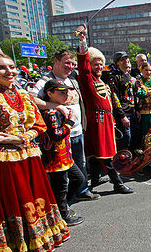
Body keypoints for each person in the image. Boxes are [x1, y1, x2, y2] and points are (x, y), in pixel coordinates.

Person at [0, 53, 69, 252]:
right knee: (14, 203)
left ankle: (38, 243)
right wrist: (0, 138)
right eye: (1, 68)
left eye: (12, 67)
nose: (9, 72)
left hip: (30, 157)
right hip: (3, 161)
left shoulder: (23, 94)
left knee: (34, 200)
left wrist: (29, 134)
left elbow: (39, 124)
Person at [31, 49, 99, 201]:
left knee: (79, 163)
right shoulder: (45, 81)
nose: (70, 67)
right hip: (58, 135)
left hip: (77, 130)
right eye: (67, 63)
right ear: (55, 61)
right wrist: (54, 106)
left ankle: (81, 192)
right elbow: (31, 99)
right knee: (59, 171)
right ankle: (60, 202)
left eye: (73, 64)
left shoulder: (73, 78)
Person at [75, 24, 133, 194]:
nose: (99, 67)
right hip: (97, 120)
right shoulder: (87, 79)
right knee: (106, 153)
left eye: (101, 64)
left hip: (107, 120)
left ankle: (94, 178)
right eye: (95, 64)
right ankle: (118, 183)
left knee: (95, 153)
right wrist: (82, 40)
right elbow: (82, 64)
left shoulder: (101, 81)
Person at [40, 79, 85, 226]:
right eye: (61, 92)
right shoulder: (50, 113)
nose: (65, 95)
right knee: (61, 188)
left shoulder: (59, 110)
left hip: (65, 156)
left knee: (78, 179)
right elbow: (57, 135)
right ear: (50, 93)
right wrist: (70, 122)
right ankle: (62, 215)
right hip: (55, 158)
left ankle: (63, 207)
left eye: (66, 92)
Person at [101, 51, 137, 151]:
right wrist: (122, 116)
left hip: (132, 112)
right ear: (117, 63)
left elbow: (132, 94)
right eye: (122, 59)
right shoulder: (114, 76)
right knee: (125, 140)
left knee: (133, 141)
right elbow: (114, 97)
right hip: (123, 115)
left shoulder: (128, 75)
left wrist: (136, 110)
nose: (126, 61)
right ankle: (122, 164)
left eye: (126, 58)